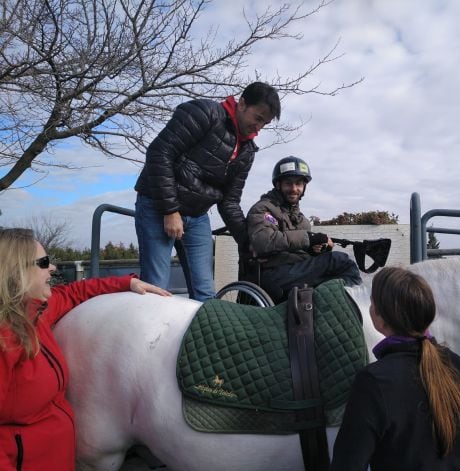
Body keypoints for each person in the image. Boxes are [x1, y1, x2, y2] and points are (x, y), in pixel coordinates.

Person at [0, 228, 170, 470]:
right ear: (17, 272)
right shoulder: (5, 337)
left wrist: (127, 283)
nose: (53, 269)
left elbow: (73, 292)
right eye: (44, 262)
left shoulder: (35, 311)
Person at [134, 82, 281, 301]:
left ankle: (200, 336)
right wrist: (170, 211)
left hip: (197, 215)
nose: (259, 127)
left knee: (205, 292)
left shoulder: (247, 150)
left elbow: (229, 201)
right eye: (258, 118)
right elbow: (159, 152)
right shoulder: (205, 113)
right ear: (241, 104)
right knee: (157, 287)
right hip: (158, 206)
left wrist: (248, 243)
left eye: (265, 123)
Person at [330, 266, 460, 471]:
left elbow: (347, 465)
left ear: (379, 318)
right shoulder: (459, 366)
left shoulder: (373, 382)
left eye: (372, 303)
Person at [246, 155, 362, 302]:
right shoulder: (263, 208)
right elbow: (263, 241)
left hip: (297, 270)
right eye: (288, 183)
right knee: (341, 261)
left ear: (304, 187)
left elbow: (304, 252)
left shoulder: (302, 220)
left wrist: (320, 249)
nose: (294, 189)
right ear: (278, 185)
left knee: (336, 277)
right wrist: (308, 238)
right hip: (273, 273)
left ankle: (337, 313)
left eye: (299, 184)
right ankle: (359, 308)